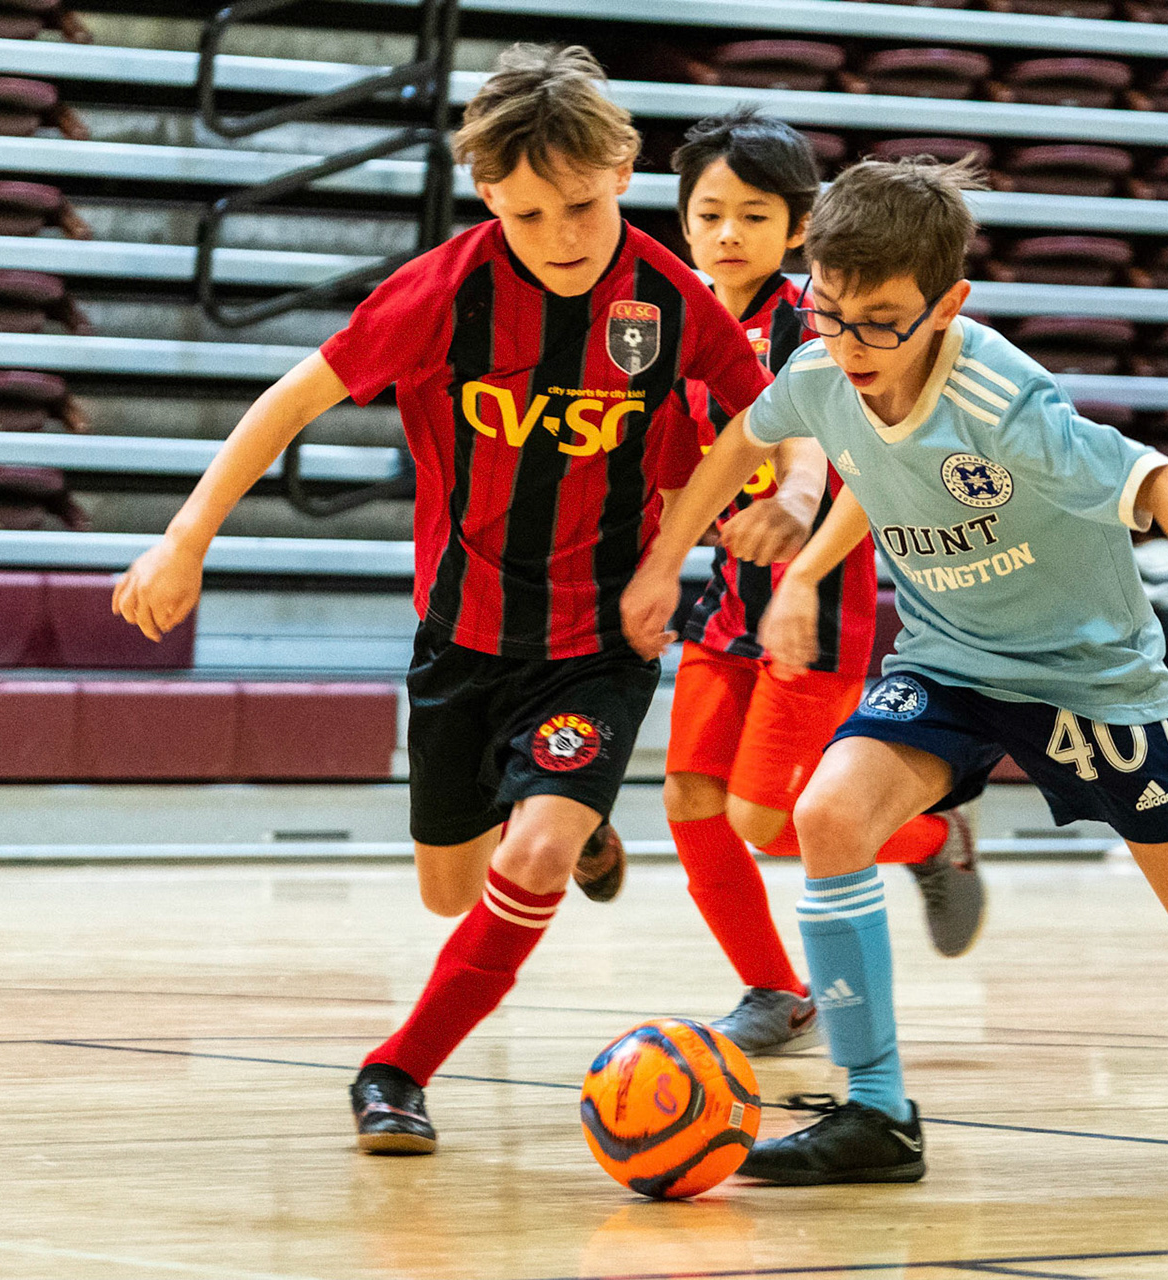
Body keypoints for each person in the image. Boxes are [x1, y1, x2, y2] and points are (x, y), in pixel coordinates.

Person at [623, 157, 1168, 1186]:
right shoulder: (825, 370)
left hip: (1088, 676)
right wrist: (669, 565)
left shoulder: (1007, 400)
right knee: (830, 814)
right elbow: (760, 438)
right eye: (833, 312)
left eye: (883, 319)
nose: (852, 342)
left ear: (947, 304)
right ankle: (879, 1113)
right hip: (950, 660)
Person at [112, 45, 767, 1155]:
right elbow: (291, 399)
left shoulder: (667, 293)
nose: (562, 236)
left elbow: (769, 413)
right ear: (487, 197)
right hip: (463, 634)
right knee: (449, 888)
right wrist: (187, 539)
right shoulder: (449, 288)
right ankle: (571, 810)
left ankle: (395, 1069)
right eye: (529, 215)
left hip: (599, 639)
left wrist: (680, 553)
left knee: (534, 856)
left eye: (580, 205)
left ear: (621, 168)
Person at [660, 111, 984, 1059]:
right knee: (688, 801)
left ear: (798, 228)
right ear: (683, 222)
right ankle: (775, 990)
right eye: (710, 212)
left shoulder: (818, 315)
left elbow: (812, 444)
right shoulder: (669, 317)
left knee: (765, 820)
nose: (728, 233)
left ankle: (928, 840)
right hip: (728, 587)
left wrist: (801, 509)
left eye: (753, 215)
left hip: (821, 589)